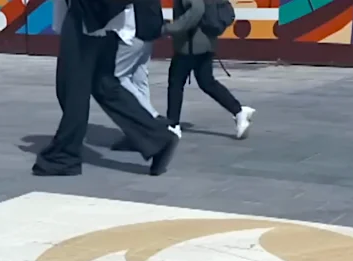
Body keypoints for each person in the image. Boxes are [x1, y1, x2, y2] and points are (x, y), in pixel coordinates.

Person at [32, 0, 180, 176]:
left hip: (88, 18)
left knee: (73, 87)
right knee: (104, 85)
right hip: (111, 19)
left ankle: (65, 153)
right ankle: (156, 136)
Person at [163, 0, 255, 138]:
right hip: (206, 42)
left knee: (176, 83)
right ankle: (239, 111)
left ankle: (173, 125)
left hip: (190, 45)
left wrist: (170, 28)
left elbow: (196, 10)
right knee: (207, 82)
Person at [111, 0, 174, 151]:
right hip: (148, 32)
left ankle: (151, 118)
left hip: (133, 33)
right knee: (139, 78)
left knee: (117, 79)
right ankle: (140, 133)